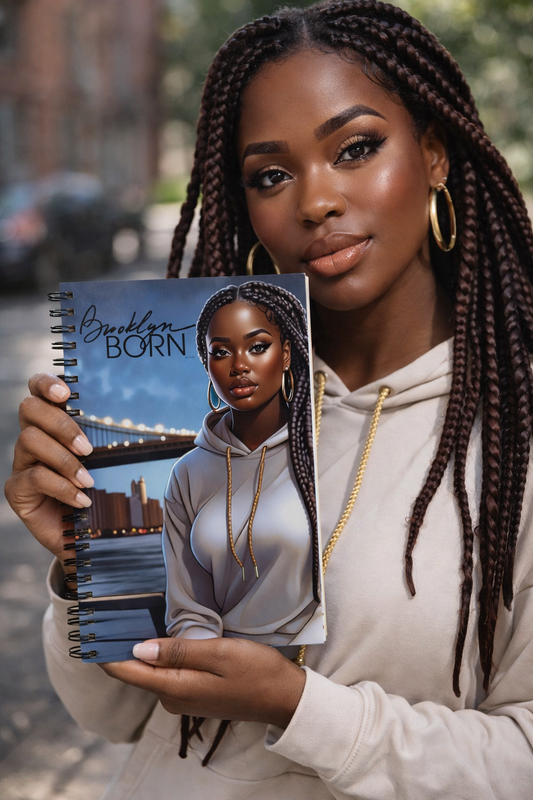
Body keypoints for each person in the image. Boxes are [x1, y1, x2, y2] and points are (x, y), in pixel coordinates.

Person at [5, 0, 533, 797]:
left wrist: (299, 707)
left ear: (432, 154)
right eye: (271, 175)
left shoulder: (514, 434)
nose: (315, 202)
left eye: (355, 149)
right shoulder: (194, 403)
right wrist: (88, 568)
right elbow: (112, 714)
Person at [163, 281, 323, 647]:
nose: (239, 366)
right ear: (206, 365)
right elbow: (189, 610)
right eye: (221, 352)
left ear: (286, 354)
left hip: (316, 663)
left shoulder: (320, 446)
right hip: (222, 668)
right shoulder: (186, 473)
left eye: (258, 347)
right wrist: (213, 662)